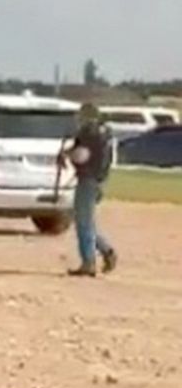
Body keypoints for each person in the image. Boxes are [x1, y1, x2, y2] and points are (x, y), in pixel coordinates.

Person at [61, 103, 117, 278]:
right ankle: (105, 250)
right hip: (99, 179)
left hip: (88, 180)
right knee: (86, 222)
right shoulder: (104, 132)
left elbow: (81, 154)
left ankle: (89, 262)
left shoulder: (89, 133)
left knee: (83, 222)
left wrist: (66, 155)